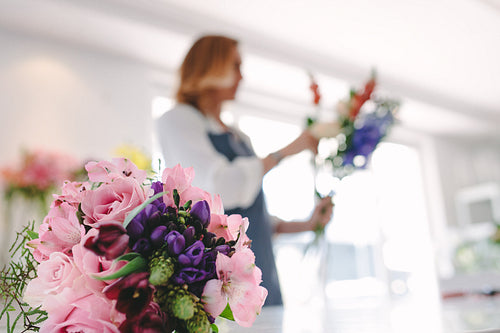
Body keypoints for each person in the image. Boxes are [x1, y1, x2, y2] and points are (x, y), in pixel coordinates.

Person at [156, 35, 333, 306]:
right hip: (222, 282)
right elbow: (220, 188)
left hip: (262, 276)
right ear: (211, 66)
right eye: (236, 66)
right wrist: (285, 152)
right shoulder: (177, 121)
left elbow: (252, 218)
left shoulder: (239, 137)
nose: (242, 77)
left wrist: (308, 224)